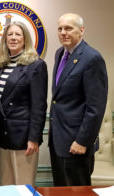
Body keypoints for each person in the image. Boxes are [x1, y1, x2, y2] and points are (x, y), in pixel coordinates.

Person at [48, 13, 108, 186]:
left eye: (69, 28)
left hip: (77, 144)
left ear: (81, 31)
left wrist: (83, 141)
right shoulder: (60, 53)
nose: (63, 32)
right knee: (61, 189)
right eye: (60, 29)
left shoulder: (92, 59)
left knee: (77, 191)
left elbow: (95, 107)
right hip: (58, 140)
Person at [0, 21, 48, 186]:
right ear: (5, 39)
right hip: (4, 135)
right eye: (10, 34)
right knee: (7, 185)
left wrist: (34, 138)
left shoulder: (36, 66)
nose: (13, 38)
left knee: (23, 186)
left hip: (24, 138)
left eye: (18, 34)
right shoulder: (1, 65)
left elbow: (39, 106)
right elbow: (0, 103)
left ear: (25, 39)